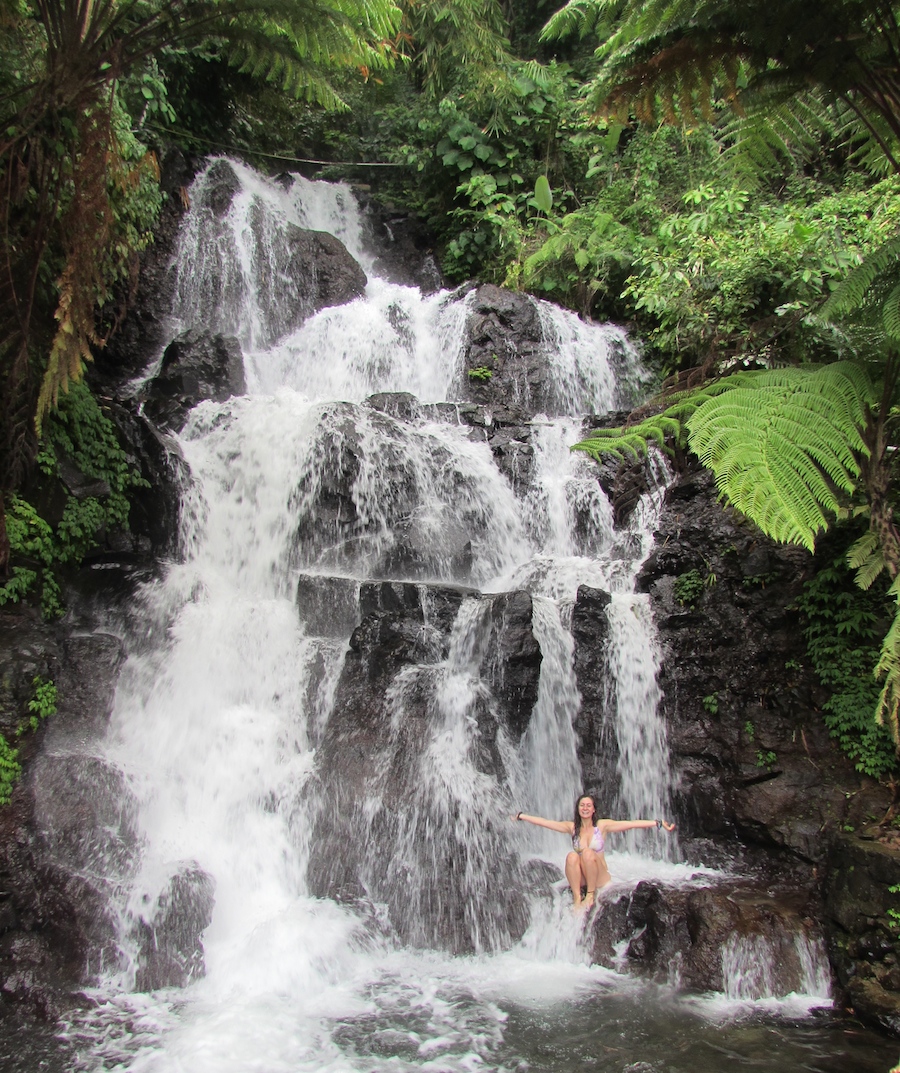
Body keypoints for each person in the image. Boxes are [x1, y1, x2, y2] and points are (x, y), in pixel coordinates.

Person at [513, 793, 676, 910]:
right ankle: (578, 897)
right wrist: (522, 816)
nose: (585, 808)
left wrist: (658, 823)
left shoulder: (602, 826)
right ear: (578, 809)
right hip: (582, 876)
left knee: (587, 853)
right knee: (571, 856)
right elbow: (546, 822)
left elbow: (631, 823)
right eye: (582, 805)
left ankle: (590, 894)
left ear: (593, 810)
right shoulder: (572, 828)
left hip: (599, 877)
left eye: (588, 805)